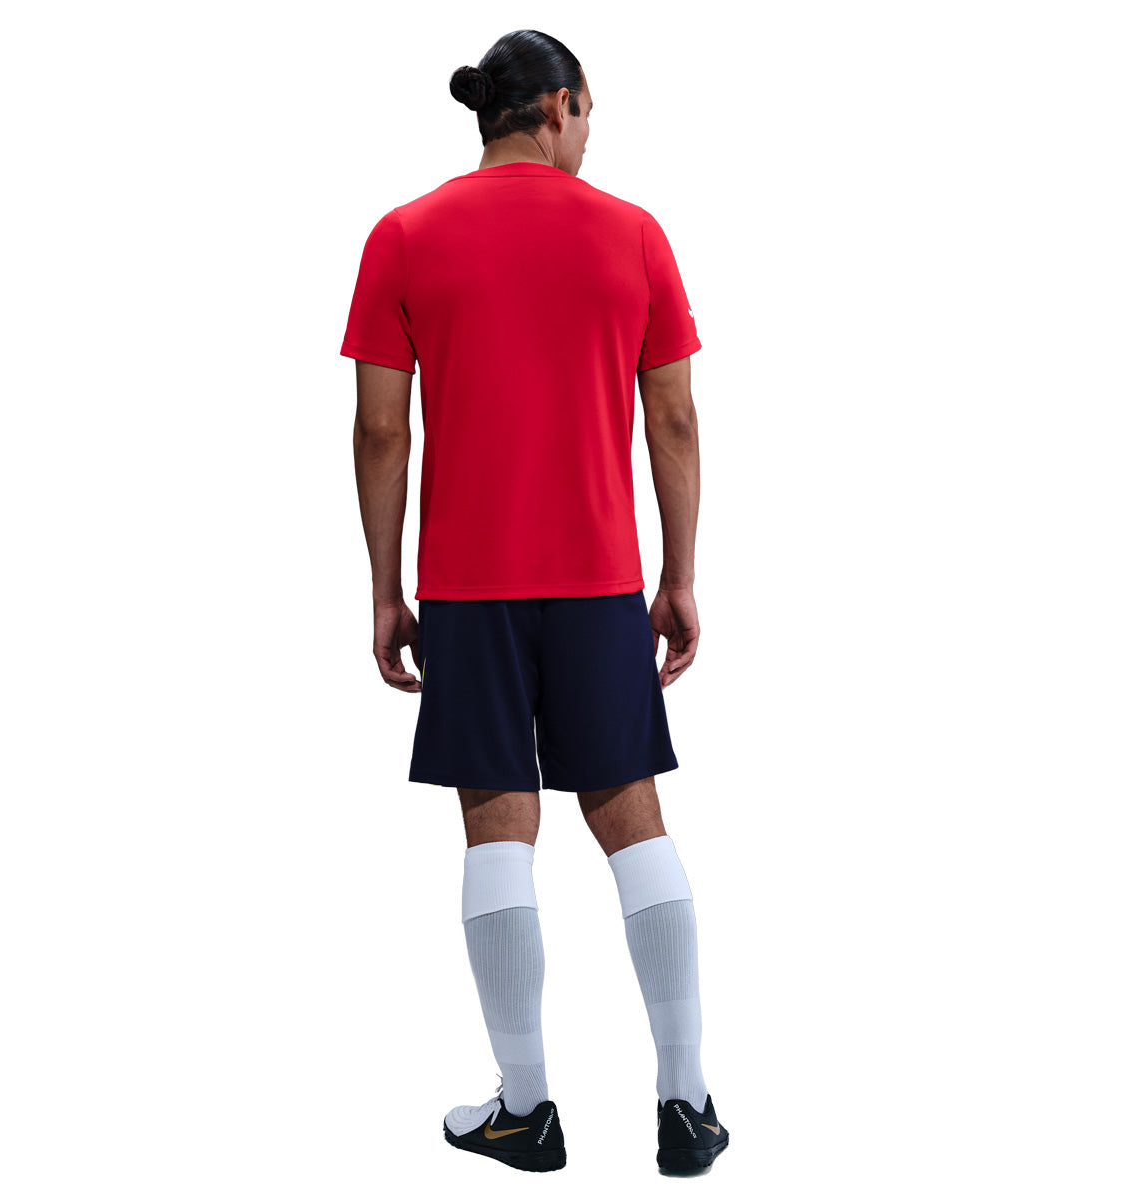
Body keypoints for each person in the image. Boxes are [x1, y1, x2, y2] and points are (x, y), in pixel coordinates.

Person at [340, 29, 726, 1177]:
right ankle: (685, 1104)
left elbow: (380, 431)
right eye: (589, 113)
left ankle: (525, 1108)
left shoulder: (402, 236)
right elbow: (674, 419)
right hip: (602, 581)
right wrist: (679, 576)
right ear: (558, 106)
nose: (590, 135)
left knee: (497, 828)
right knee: (634, 821)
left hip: (470, 588)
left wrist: (383, 591)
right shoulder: (635, 233)